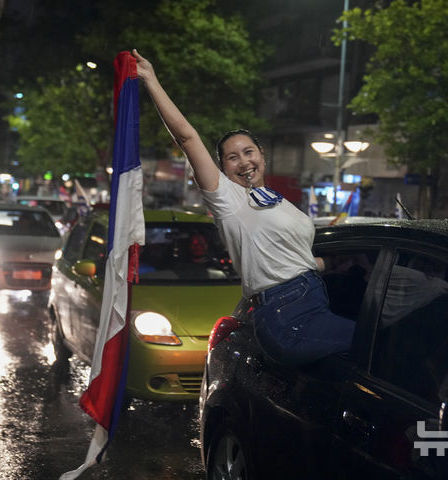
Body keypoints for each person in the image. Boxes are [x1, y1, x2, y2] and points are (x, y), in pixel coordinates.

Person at [132, 49, 355, 367]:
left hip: (312, 298)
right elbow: (187, 136)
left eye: (248, 152)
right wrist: (150, 79)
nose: (244, 162)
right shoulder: (229, 200)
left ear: (262, 155)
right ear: (221, 168)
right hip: (285, 315)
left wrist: (337, 263)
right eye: (232, 157)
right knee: (380, 344)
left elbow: (291, 260)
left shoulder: (279, 201)